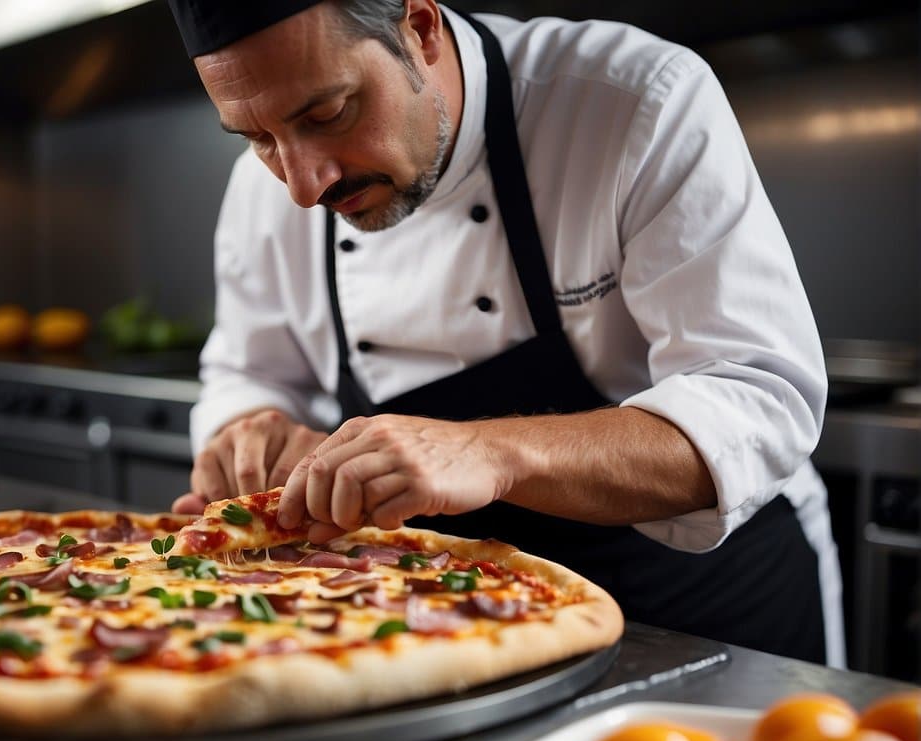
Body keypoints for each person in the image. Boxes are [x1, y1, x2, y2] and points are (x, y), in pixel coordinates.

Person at [164, 0, 844, 666]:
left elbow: (756, 400)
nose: (302, 187)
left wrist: (487, 452)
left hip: (707, 615)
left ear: (419, 27)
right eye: (256, 139)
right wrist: (249, 430)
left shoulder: (631, 99)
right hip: (445, 627)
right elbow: (249, 372)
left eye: (327, 113)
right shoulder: (264, 191)